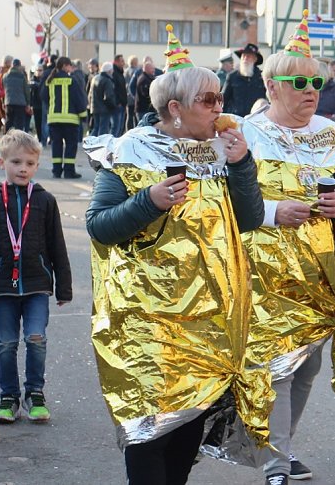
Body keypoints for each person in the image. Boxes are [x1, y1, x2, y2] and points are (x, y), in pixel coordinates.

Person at [84, 25, 267, 484]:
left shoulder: (223, 152)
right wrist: (148, 201)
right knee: (150, 427)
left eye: (219, 98)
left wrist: (242, 164)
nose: (218, 108)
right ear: (175, 109)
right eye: (207, 100)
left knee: (188, 420)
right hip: (147, 314)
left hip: (210, 316)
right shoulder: (130, 150)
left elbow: (248, 218)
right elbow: (99, 227)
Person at [235, 11, 335, 485]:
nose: (310, 89)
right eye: (298, 81)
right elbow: (224, 202)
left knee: (307, 365)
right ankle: (275, 462)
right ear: (271, 85)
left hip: (323, 275)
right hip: (263, 272)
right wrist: (273, 211)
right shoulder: (244, 136)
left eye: (315, 81)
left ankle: (283, 446)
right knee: (275, 365)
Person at [0, 130, 72, 424]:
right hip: (3, 286)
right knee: (6, 342)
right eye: (16, 162)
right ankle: (8, 397)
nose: (22, 168)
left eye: (29, 163)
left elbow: (57, 245)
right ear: (2, 163)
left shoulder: (45, 200)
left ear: (37, 165)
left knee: (36, 338)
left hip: (37, 284)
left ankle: (35, 393)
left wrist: (63, 287)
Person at [41, 57, 87, 178]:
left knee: (56, 145)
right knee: (71, 145)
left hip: (54, 119)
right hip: (70, 119)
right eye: (70, 66)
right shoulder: (72, 80)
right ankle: (69, 171)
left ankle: (56, 171)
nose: (71, 68)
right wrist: (83, 115)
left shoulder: (50, 81)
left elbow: (43, 97)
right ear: (65, 66)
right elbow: (79, 99)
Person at [223, 43, 267, 117]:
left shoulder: (262, 77)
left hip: (256, 119)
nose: (245, 58)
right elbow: (224, 99)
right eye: (243, 56)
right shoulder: (232, 76)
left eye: (249, 56)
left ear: (255, 59)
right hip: (235, 119)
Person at [89, 62, 117, 137]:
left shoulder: (95, 78)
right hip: (104, 109)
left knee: (96, 127)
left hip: (95, 107)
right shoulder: (107, 81)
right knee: (103, 129)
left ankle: (90, 143)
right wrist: (113, 106)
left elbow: (90, 94)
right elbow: (108, 97)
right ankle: (100, 145)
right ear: (109, 71)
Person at [2, 58, 30, 132]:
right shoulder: (22, 76)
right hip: (20, 103)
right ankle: (18, 141)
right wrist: (28, 103)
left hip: (8, 102)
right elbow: (26, 91)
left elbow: (3, 89)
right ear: (19, 66)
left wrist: (3, 101)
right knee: (19, 125)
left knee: (8, 122)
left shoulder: (5, 76)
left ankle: (6, 140)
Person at [134, 56, 157, 122]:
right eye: (152, 69)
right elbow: (146, 94)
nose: (154, 70)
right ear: (147, 69)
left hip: (147, 109)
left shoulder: (149, 78)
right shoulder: (144, 79)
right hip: (143, 109)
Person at [111, 54, 128, 136]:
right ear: (116, 62)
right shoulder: (114, 73)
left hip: (122, 104)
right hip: (117, 105)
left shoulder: (120, 73)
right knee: (115, 128)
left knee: (120, 128)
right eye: (122, 61)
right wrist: (117, 102)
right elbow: (114, 90)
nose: (123, 63)